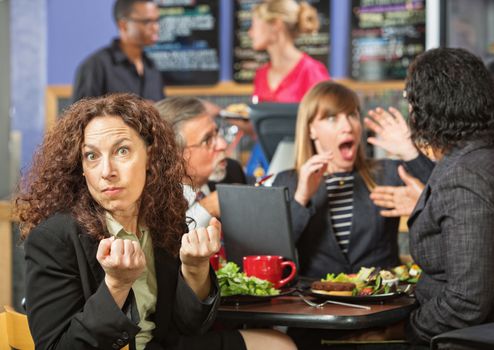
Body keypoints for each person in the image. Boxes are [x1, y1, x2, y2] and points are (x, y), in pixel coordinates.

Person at [17, 94, 296, 350]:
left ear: (150, 156)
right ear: (81, 168)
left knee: (280, 344)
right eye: (92, 156)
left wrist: (195, 269)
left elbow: (189, 326)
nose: (107, 171)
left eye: (122, 151)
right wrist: (116, 286)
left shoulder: (163, 218)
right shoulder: (53, 238)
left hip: (162, 345)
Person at [383, 47, 494, 346]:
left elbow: (467, 301)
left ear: (426, 109)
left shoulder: (464, 177)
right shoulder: (474, 157)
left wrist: (407, 330)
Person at [273, 81, 433, 280]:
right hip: (315, 306)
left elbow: (447, 196)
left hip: (381, 304)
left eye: (352, 115)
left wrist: (410, 151)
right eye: (332, 118)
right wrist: (301, 198)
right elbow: (273, 255)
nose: (347, 126)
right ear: (311, 129)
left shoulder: (388, 172)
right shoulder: (288, 181)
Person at [243, 0, 330, 176]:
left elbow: (327, 125)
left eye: (254, 25)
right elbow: (265, 130)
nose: (250, 33)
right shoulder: (260, 74)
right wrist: (248, 126)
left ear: (275, 25)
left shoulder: (311, 71)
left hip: (300, 168)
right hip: (261, 166)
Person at [72, 0, 164, 102]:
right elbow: (82, 116)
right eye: (147, 22)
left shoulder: (152, 67)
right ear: (123, 25)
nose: (156, 27)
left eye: (157, 21)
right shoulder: (96, 66)